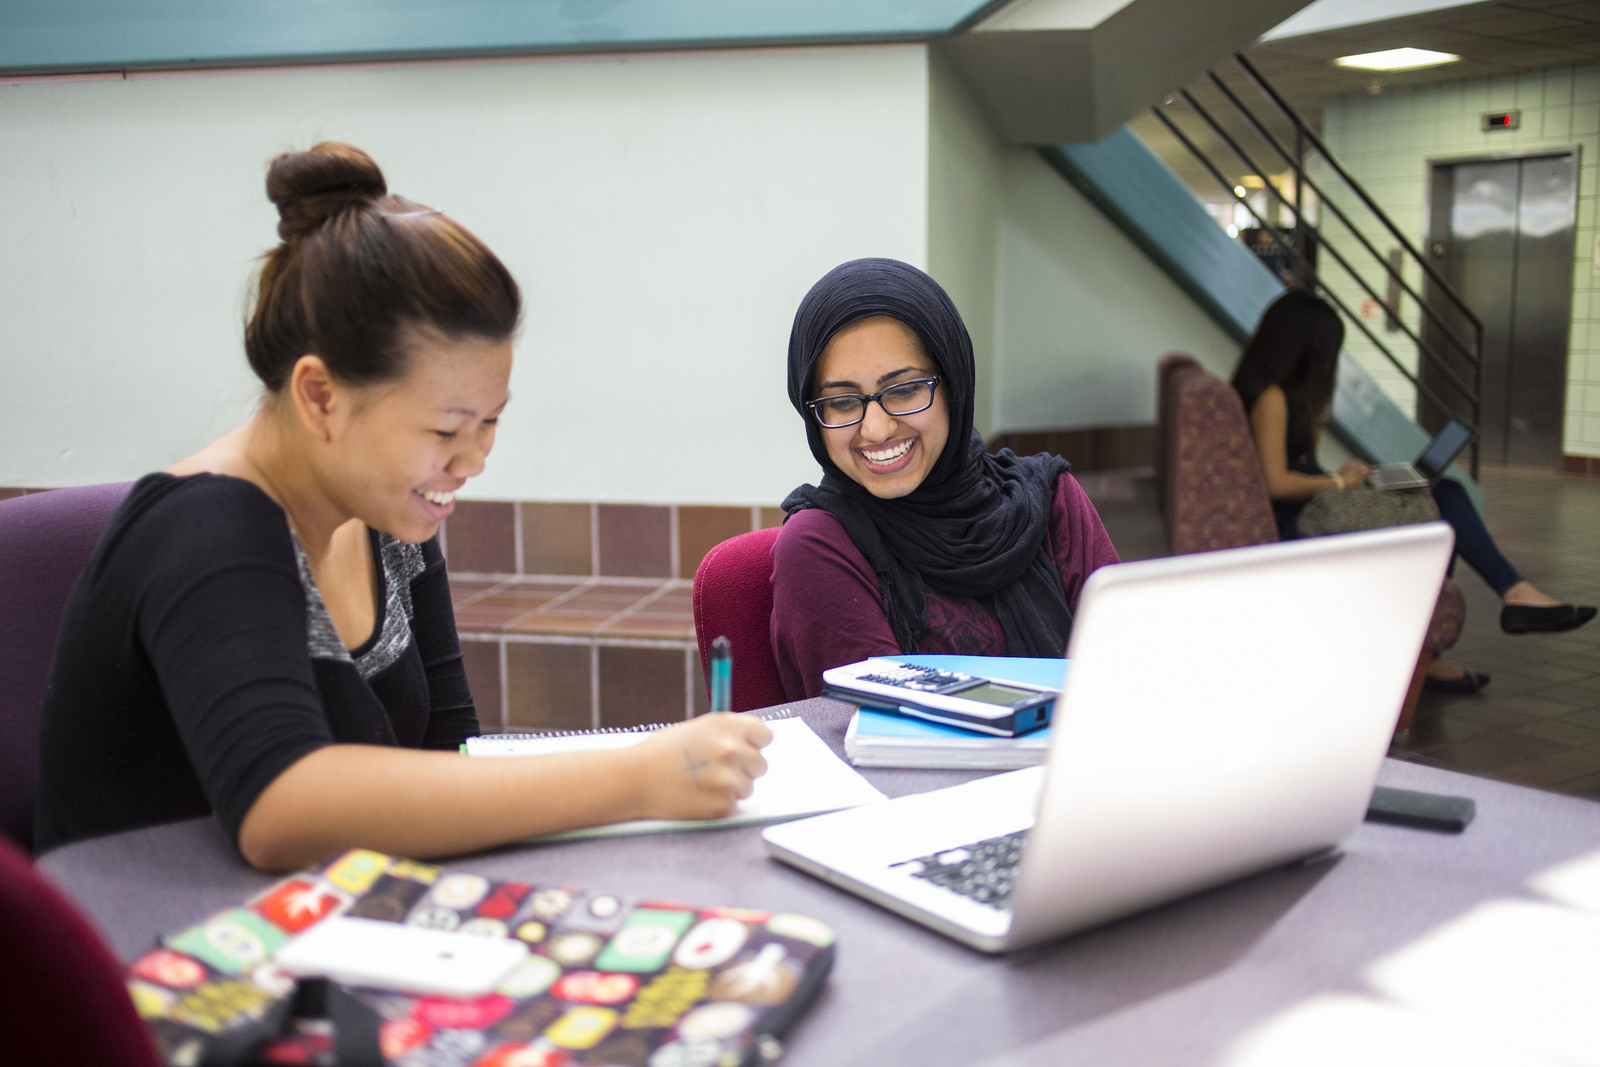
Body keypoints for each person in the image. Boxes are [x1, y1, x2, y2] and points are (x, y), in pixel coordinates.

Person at [34, 142, 770, 869]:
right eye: (447, 429)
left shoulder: (385, 516)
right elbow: (281, 806)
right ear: (320, 394)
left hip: (334, 921)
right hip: (153, 955)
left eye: (491, 423)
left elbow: (452, 750)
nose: (475, 460)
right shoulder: (209, 524)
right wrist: (635, 778)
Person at [770, 258, 1120, 701]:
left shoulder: (1048, 501)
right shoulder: (819, 547)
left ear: (953, 385)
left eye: (904, 390)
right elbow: (889, 736)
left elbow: (1131, 670)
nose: (875, 429)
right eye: (842, 401)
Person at [1231, 289, 1595, 693]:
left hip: (1314, 509)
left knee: (1441, 498)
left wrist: (1329, 445)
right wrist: (1338, 482)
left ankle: (1453, 640)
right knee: (1446, 501)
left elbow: (1298, 466)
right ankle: (1504, 601)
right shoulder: (1272, 398)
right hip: (1301, 523)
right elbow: (1275, 483)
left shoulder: (1285, 397)